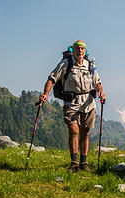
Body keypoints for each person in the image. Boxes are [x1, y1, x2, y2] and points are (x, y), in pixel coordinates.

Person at [39, 40, 105, 172]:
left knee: (85, 131)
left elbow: (97, 82)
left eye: (82, 49)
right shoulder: (66, 63)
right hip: (72, 102)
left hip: (88, 102)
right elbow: (52, 79)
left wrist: (101, 92)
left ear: (85, 51)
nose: (80, 51)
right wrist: (46, 94)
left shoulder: (90, 65)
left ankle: (84, 163)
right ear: (73, 50)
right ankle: (74, 163)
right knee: (74, 129)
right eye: (77, 48)